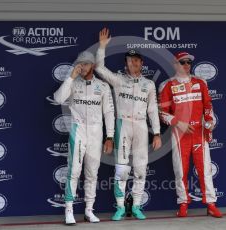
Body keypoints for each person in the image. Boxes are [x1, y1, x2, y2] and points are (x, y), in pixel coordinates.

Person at [96, 28, 162, 220]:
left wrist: (157, 133)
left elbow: (152, 110)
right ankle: (119, 208)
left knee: (141, 169)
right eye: (129, 60)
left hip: (141, 126)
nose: (133, 63)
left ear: (141, 63)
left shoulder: (148, 84)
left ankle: (137, 206)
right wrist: (101, 47)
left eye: (136, 60)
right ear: (125, 63)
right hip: (123, 125)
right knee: (122, 170)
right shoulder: (117, 80)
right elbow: (99, 68)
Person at [158, 51, 223, 218]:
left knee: (205, 170)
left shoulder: (200, 82)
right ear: (175, 64)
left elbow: (208, 106)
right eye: (182, 62)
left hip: (199, 134)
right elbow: (162, 113)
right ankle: (183, 203)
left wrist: (209, 122)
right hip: (180, 135)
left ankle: (210, 203)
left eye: (188, 62)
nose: (186, 65)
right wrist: (179, 123)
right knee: (180, 170)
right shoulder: (168, 85)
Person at [53, 50, 115, 225]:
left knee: (92, 173)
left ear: (93, 66)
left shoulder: (103, 87)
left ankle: (89, 210)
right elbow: (58, 99)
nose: (82, 67)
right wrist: (70, 78)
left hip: (96, 131)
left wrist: (110, 136)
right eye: (79, 64)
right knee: (74, 171)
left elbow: (109, 113)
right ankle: (69, 210)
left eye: (86, 64)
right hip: (78, 129)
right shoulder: (73, 82)